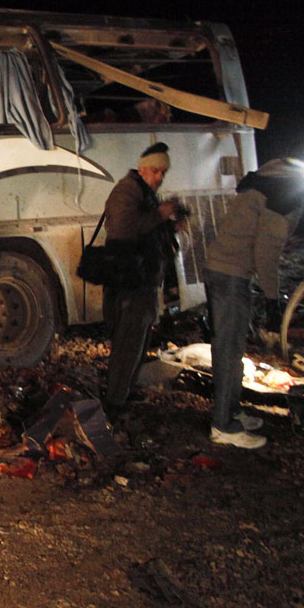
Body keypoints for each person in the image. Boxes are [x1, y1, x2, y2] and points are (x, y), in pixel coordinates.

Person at [203, 160, 304, 449]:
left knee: (230, 349)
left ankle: (232, 412)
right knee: (229, 351)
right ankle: (222, 425)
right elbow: (266, 255)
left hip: (221, 270)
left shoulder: (256, 191)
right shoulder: (280, 202)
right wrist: (273, 301)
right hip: (231, 276)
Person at [101, 142, 188, 412]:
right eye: (155, 171)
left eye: (163, 172)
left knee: (138, 340)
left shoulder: (143, 193)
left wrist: (171, 225)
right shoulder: (126, 191)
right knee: (128, 342)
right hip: (130, 283)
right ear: (142, 169)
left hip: (143, 281)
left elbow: (148, 231)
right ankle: (114, 403)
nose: (160, 177)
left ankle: (125, 391)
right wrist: (160, 214)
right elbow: (123, 231)